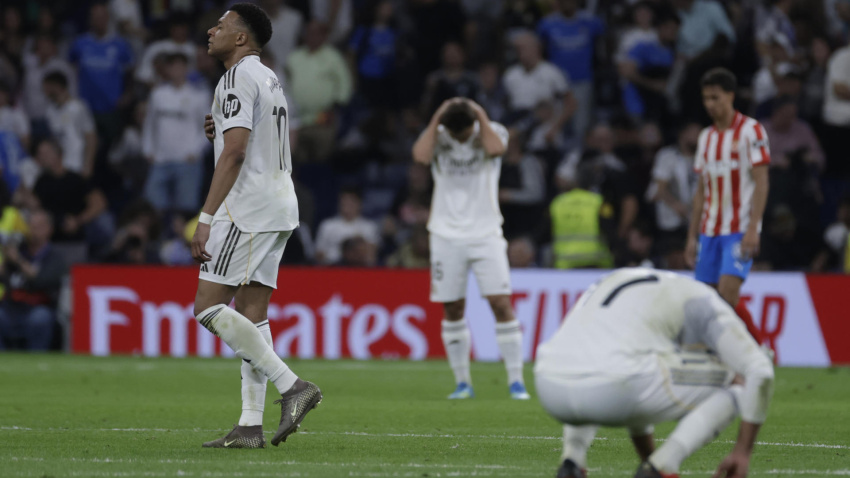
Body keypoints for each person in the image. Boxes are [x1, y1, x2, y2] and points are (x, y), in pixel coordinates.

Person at [192, 3, 322, 449]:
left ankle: (293, 387)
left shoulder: (235, 77)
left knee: (207, 307)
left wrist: (205, 219)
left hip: (246, 210)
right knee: (252, 315)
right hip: (280, 203)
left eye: (222, 26)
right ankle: (249, 426)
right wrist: (222, 127)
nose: (212, 31)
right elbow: (249, 135)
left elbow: (236, 154)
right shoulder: (268, 76)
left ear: (242, 38)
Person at [535, 268, 774, 478]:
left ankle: (572, 461)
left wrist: (648, 460)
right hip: (616, 385)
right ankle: (665, 466)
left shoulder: (642, 286)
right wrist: (742, 453)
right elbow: (760, 371)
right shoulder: (706, 304)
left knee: (610, 361)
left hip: (547, 381)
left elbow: (642, 393)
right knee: (738, 382)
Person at [412, 98, 529, 401]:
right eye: (458, 134)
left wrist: (480, 114)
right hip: (445, 234)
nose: (462, 139)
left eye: (465, 133)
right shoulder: (439, 136)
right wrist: (437, 114)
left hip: (486, 233)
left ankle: (516, 381)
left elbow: (496, 150)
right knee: (452, 307)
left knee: (501, 303)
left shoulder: (492, 132)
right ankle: (463, 382)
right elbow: (420, 156)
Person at [685, 68, 770, 343]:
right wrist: (691, 236)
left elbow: (761, 182)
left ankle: (755, 350)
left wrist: (754, 228)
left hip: (738, 229)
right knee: (710, 303)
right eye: (706, 99)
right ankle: (745, 351)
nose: (710, 105)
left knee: (727, 293)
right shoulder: (705, 138)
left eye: (715, 98)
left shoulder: (751, 131)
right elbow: (700, 192)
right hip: (709, 232)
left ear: (730, 96)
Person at [141, 53, 209, 214]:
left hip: (187, 160)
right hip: (160, 159)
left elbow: (208, 127)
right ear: (168, 69)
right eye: (173, 66)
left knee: (185, 209)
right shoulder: (158, 95)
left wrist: (196, 151)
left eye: (180, 66)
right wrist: (147, 149)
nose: (177, 70)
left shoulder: (198, 96)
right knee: (152, 206)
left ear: (186, 69)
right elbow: (149, 124)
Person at [0, 209, 67, 351]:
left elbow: (41, 280)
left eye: (38, 227)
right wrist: (5, 258)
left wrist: (18, 260)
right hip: (12, 308)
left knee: (40, 319)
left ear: (49, 229)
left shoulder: (55, 257)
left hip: (39, 308)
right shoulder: (18, 250)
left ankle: (37, 358)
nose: (33, 231)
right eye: (30, 226)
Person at [42, 71, 97, 178]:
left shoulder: (78, 107)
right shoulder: (49, 111)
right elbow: (55, 139)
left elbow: (91, 138)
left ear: (57, 86)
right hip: (60, 166)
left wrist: (88, 166)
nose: (44, 91)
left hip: (78, 163)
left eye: (46, 87)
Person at [314, 188, 380, 265]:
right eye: (344, 201)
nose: (347, 205)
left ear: (359, 203)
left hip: (360, 269)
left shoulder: (369, 227)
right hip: (332, 268)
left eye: (351, 201)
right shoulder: (327, 225)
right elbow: (318, 254)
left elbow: (371, 257)